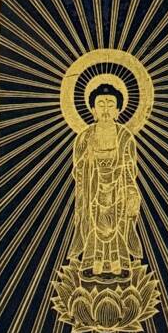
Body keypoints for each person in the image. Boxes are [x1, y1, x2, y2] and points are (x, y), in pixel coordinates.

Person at [68, 82, 142, 277]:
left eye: (111, 105)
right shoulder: (84, 137)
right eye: (101, 104)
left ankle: (120, 264)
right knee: (94, 224)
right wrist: (89, 165)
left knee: (118, 224)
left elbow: (130, 168)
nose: (106, 110)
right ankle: (92, 263)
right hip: (93, 187)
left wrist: (131, 191)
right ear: (93, 110)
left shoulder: (125, 136)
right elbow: (78, 169)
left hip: (118, 187)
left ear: (118, 110)